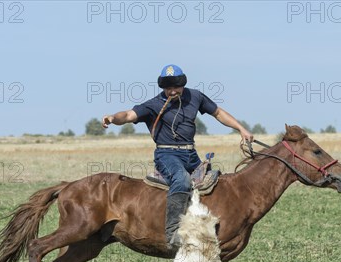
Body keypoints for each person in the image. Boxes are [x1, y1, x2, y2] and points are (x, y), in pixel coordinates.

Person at [102, 64, 253, 250]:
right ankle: (173, 233)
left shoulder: (195, 96)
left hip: (191, 154)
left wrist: (241, 128)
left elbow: (218, 113)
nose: (172, 91)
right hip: (167, 154)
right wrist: (112, 118)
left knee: (213, 183)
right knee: (181, 180)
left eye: (176, 86)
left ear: (183, 83)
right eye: (168, 87)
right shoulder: (153, 104)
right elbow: (127, 115)